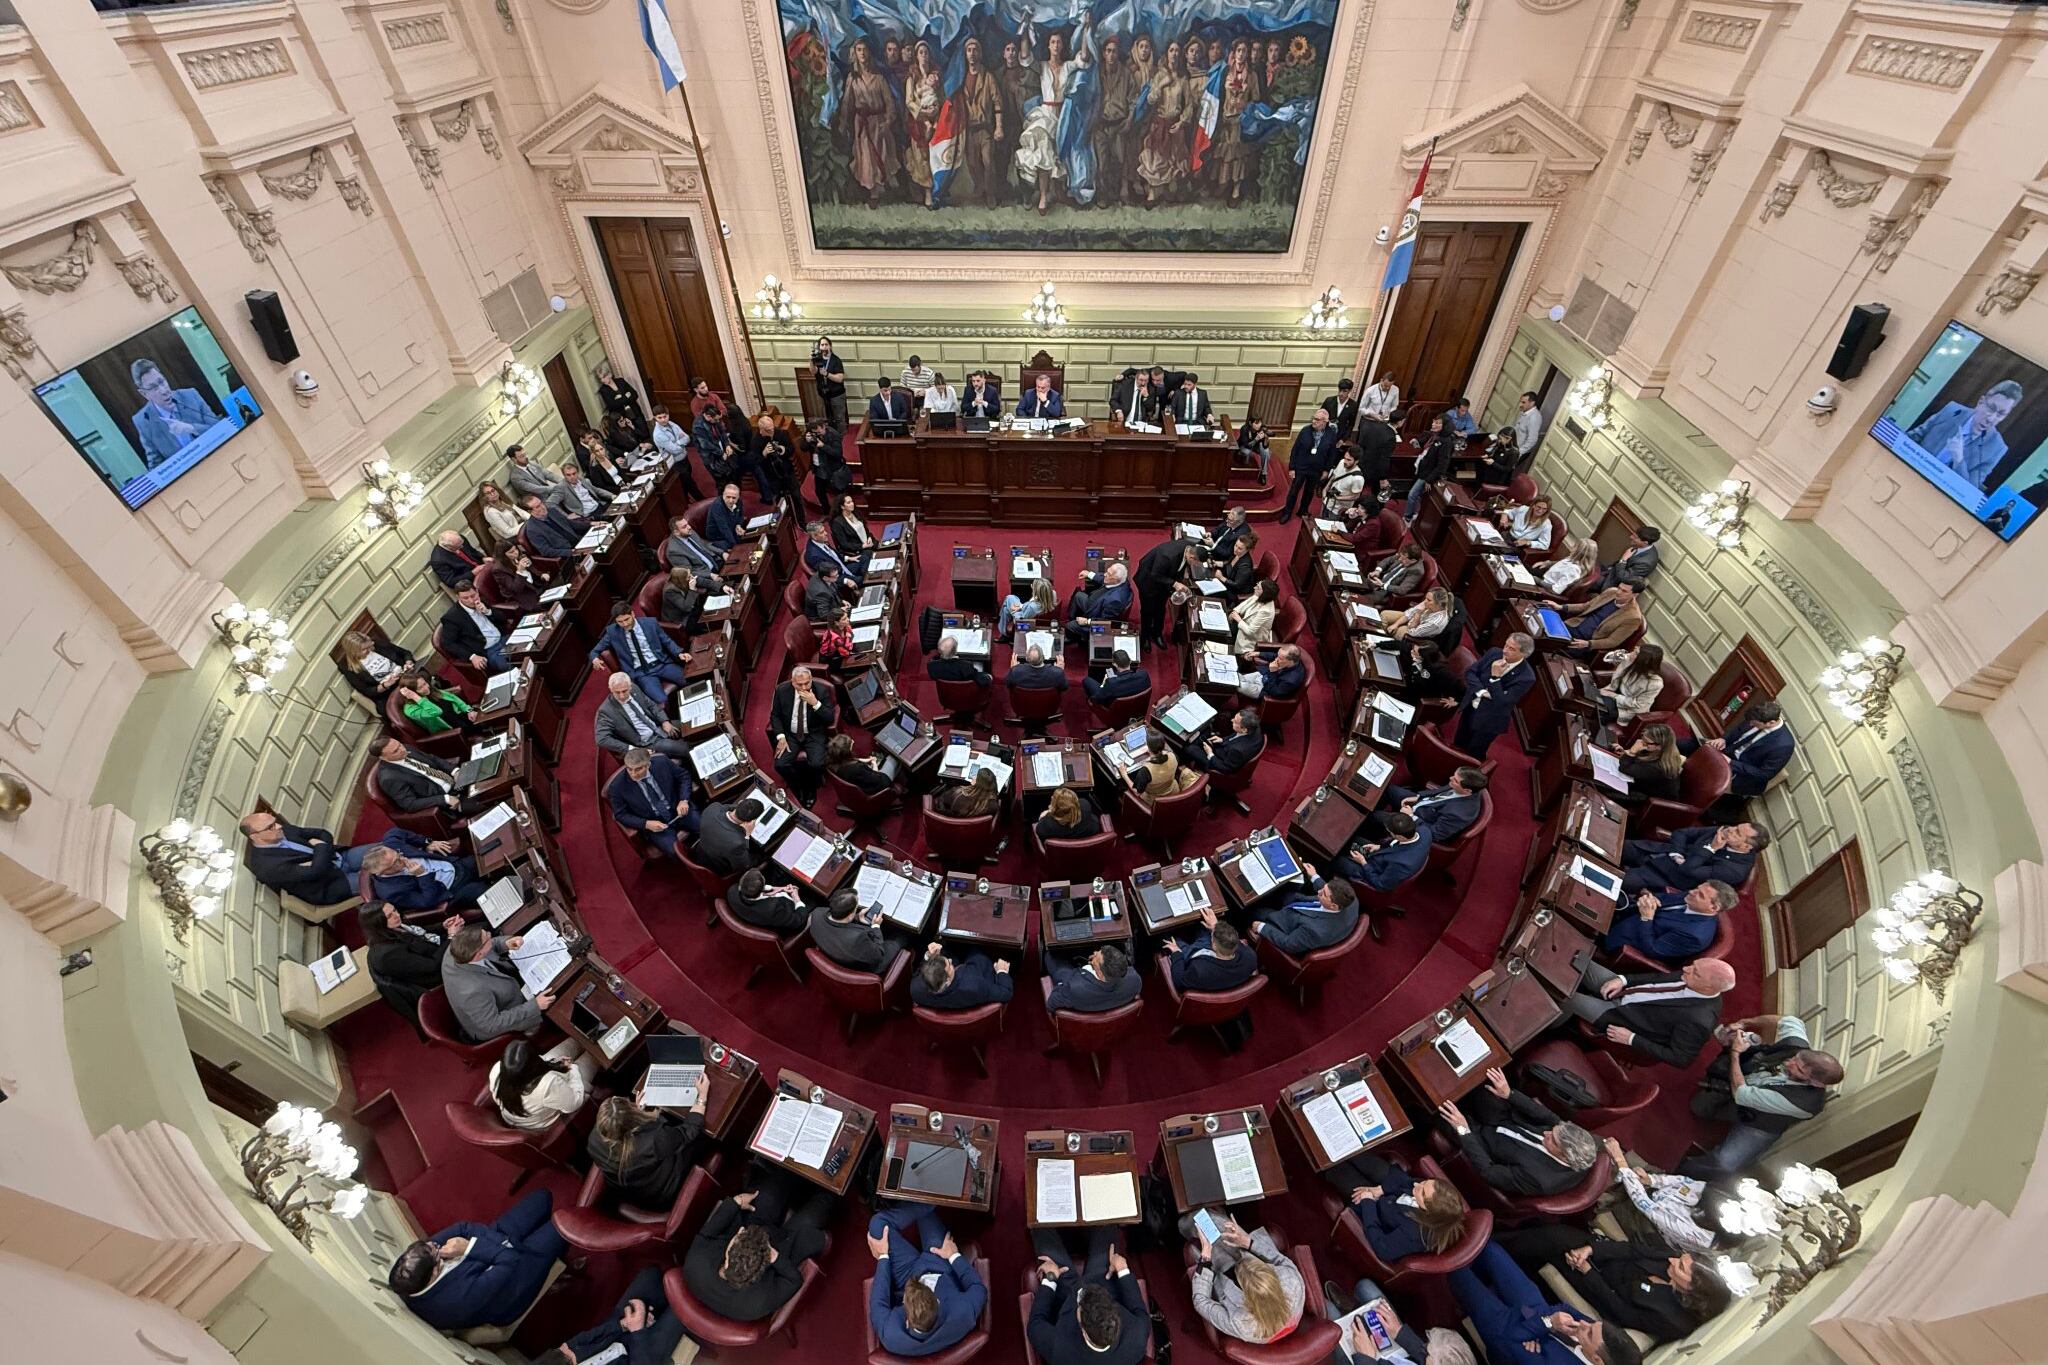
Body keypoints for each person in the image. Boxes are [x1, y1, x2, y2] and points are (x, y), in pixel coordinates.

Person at [1492, 1225, 1731, 1346]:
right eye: (1680, 1260)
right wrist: (1592, 1250)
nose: (1672, 1260)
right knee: (1556, 1236)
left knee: (1553, 1245)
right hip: (1606, 1257)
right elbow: (1633, 1249)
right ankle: (1499, 1243)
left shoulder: (1672, 1320)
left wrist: (1587, 1271)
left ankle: (1492, 1248)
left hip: (1601, 1287)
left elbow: (1619, 1310)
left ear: (1690, 1290)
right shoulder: (1674, 1258)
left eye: (1679, 1267)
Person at [1681, 1014, 1843, 1179]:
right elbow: (1789, 1020)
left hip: (1761, 1122)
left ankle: (1682, 1174)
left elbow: (1741, 1094)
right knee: (1699, 1106)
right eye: (1796, 1058)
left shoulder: (1804, 1104)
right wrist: (1743, 1022)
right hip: (1749, 1083)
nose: (1789, 1063)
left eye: (1799, 1068)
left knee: (1725, 1163)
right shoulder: (1797, 1048)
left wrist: (1736, 1052)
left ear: (1815, 1083)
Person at [388, 1189, 566, 1333]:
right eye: (435, 1250)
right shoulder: (458, 1300)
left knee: (542, 1197)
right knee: (565, 1223)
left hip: (493, 1242)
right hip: (512, 1282)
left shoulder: (415, 1265)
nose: (436, 1243)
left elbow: (462, 1227)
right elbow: (510, 1260)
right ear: (434, 1272)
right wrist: (468, 1248)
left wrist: (487, 1242)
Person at [683, 1162, 838, 1322]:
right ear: (759, 1270)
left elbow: (707, 1234)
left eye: (739, 1236)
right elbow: (794, 1280)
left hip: (755, 1224)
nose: (740, 1232)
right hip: (782, 1245)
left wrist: (735, 1202)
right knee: (821, 1205)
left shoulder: (695, 1264)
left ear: (728, 1254)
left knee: (777, 1181)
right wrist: (776, 1258)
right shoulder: (758, 1302)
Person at [1445, 1241, 1639, 1365]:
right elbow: (1563, 1308)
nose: (1584, 1324)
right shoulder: (1595, 1333)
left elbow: (1509, 1341)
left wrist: (1548, 1325)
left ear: (1597, 1360)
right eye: (1592, 1324)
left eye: (1589, 1332)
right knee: (1488, 1248)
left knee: (1456, 1267)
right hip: (1534, 1311)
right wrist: (1544, 1324)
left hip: (1504, 1334)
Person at [1436, 1067, 1600, 1198]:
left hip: (1482, 1144)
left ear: (1564, 1156)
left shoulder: (1538, 1179)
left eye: (1552, 1139)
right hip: (1504, 1119)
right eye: (1552, 1131)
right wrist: (1509, 1094)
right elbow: (1551, 1117)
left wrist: (1463, 1129)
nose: (1546, 1134)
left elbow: (1489, 1172)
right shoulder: (1577, 1140)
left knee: (1439, 1108)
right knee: (1475, 1075)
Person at [866, 1201, 987, 1357]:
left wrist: (882, 1256)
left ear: (907, 1320)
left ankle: (914, 1200)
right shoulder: (963, 1312)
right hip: (939, 1263)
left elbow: (878, 1301)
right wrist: (953, 1255)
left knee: (877, 1224)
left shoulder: (891, 1334)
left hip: (906, 1277)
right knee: (926, 1201)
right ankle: (926, 1200)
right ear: (937, 1301)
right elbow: (977, 1287)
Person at [1563, 958, 1736, 1068]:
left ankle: (1554, 1021)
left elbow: (1681, 1058)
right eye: (1693, 965)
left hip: (1620, 1016)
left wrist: (1631, 1039)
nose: (1685, 968)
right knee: (1577, 957)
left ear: (1708, 988)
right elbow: (1657, 979)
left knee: (1564, 995)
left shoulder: (1699, 1021)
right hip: (1624, 989)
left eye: (1694, 972)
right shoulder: (1692, 975)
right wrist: (1623, 980)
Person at [1182, 1210, 1304, 1345]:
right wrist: (1248, 1242)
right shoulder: (1292, 1282)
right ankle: (1208, 1214)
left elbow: (1200, 1302)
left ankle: (1182, 1222)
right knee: (1220, 1225)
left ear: (1245, 1298)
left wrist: (1205, 1258)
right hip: (1252, 1260)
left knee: (1203, 1226)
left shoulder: (1240, 1322)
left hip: (1223, 1279)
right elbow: (1280, 1260)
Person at [1321, 1153, 1468, 1265]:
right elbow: (1411, 1182)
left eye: (1422, 1192)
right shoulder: (1428, 1192)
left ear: (1427, 1209)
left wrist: (1368, 1200)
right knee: (1357, 1154)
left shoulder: (1415, 1235)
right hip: (1391, 1190)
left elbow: (1381, 1247)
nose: (1418, 1185)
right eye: (1425, 1183)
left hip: (1376, 1211)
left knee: (1338, 1169)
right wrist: (1382, 1189)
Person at [1027, 1228, 1147, 1365]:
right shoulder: (1137, 1337)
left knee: (1041, 1229)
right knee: (1106, 1223)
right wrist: (1122, 1269)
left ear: (1084, 1331)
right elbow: (1139, 1311)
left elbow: (1035, 1324)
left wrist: (1050, 1278)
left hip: (1066, 1297)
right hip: (1102, 1282)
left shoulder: (1061, 1351)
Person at [538, 1264, 688, 1365]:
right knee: (684, 1300)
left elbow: (587, 1337)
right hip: (644, 1355)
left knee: (650, 1275)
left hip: (620, 1330)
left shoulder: (555, 1359)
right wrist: (638, 1331)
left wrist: (624, 1324)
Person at [588, 1094, 706, 1209]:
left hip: (635, 1193)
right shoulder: (654, 1141)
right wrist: (702, 1096)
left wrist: (636, 1114)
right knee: (702, 1139)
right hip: (664, 1193)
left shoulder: (593, 1140)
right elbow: (690, 1130)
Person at [240, 809, 383, 904]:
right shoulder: (267, 867)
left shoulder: (284, 830)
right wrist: (320, 846)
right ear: (255, 836)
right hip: (330, 883)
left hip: (340, 857)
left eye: (274, 822)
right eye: (270, 827)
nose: (278, 826)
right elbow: (317, 872)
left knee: (385, 850)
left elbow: (323, 834)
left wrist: (318, 855)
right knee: (382, 876)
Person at [441, 925, 553, 1041]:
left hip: (502, 989)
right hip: (498, 1022)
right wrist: (535, 1006)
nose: (490, 935)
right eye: (487, 937)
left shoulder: (456, 947)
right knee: (557, 994)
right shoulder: (472, 990)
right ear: (478, 954)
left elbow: (491, 943)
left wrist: (506, 943)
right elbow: (492, 1025)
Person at [1682, 700, 1793, 812]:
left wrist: (1731, 763)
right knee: (1683, 745)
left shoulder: (1783, 745)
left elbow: (1763, 774)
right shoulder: (1756, 716)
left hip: (1741, 773)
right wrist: (1723, 739)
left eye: (1754, 724)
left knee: (1699, 775)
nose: (1750, 725)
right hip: (1725, 751)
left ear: (1771, 723)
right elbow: (1736, 730)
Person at [1908, 379, 2021, 488]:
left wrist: (1959, 460)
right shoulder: (1952, 410)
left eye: (2001, 414)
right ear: (1980, 402)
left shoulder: (1996, 448)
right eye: (1991, 408)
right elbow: (1914, 436)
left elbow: (1969, 489)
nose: (1991, 419)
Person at [358, 901, 451, 1024]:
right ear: (378, 923)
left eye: (395, 910)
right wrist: (452, 937)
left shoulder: (392, 927)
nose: (397, 915)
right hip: (437, 973)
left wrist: (443, 926)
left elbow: (420, 933)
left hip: (434, 951)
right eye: (389, 916)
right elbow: (433, 966)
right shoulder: (389, 955)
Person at [1603, 882, 1738, 964]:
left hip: (1622, 937)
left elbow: (1652, 950)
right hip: (1628, 911)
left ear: (1713, 908)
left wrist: (1646, 918)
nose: (1692, 891)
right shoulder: (1691, 898)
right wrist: (1651, 899)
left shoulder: (1695, 936)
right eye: (1697, 888)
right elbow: (1663, 899)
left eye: (1700, 894)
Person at [1622, 822, 1766, 896]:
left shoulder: (1734, 871)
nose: (1730, 829)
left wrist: (1712, 848)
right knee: (1613, 843)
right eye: (1736, 826)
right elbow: (1682, 833)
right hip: (1662, 852)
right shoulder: (1726, 830)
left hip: (1667, 877)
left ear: (1746, 847)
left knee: (1619, 880)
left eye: (1737, 832)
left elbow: (1688, 869)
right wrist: (1676, 853)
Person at [488, 1038, 598, 1133]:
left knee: (576, 1040)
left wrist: (553, 1063)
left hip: (541, 1085)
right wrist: (572, 1068)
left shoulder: (498, 1069)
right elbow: (574, 1103)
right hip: (542, 1116)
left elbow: (538, 1062)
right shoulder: (547, 1085)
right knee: (594, 1053)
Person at [128, 356, 221, 465]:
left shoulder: (190, 396)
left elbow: (219, 427)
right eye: (154, 387)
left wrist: (192, 428)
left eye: (161, 382)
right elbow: (155, 463)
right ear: (144, 394)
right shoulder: (143, 421)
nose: (163, 390)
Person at [1455, 632, 1536, 756]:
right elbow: (1471, 672)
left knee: (1473, 752)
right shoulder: (1494, 653)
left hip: (1489, 719)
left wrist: (1495, 678)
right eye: (1506, 645)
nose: (1505, 650)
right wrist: (1481, 691)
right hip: (1471, 705)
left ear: (1524, 654)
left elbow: (1502, 701)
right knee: (1458, 742)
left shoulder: (1526, 677)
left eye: (1511, 649)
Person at [608, 747, 698, 857]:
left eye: (638, 769)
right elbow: (620, 815)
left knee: (705, 827)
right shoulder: (617, 787)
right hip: (654, 823)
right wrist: (645, 824)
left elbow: (684, 777)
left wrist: (684, 800)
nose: (633, 774)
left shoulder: (662, 762)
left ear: (648, 765)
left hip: (678, 809)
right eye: (629, 769)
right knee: (676, 852)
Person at [361, 839, 490, 915]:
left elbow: (397, 832)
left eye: (398, 855)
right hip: (454, 888)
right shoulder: (392, 892)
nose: (402, 858)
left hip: (455, 865)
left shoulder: (392, 845)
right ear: (382, 872)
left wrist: (427, 842)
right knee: (490, 893)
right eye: (396, 862)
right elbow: (427, 900)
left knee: (492, 855)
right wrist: (422, 875)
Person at [593, 602, 687, 705]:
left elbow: (666, 641)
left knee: (689, 679)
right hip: (642, 673)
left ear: (633, 614)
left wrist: (678, 653)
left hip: (662, 664)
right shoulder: (612, 632)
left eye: (626, 619)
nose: (625, 624)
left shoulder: (650, 623)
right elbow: (595, 651)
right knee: (662, 701)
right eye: (620, 622)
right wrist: (595, 659)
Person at [769, 666, 835, 807]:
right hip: (791, 734)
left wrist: (815, 703)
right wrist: (781, 737)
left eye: (807, 683)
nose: (804, 687)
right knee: (780, 764)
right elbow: (775, 715)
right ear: (792, 681)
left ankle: (812, 788)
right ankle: (800, 787)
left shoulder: (821, 690)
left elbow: (829, 718)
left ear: (811, 679)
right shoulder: (782, 690)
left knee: (817, 763)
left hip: (813, 733)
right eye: (799, 684)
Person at [371, 736, 483, 817]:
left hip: (457, 781)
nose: (402, 749)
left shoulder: (406, 748)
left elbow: (433, 759)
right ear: (383, 757)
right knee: (486, 803)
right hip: (449, 797)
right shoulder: (389, 778)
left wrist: (454, 771)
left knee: (491, 775)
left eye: (399, 744)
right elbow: (410, 804)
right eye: (395, 751)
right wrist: (445, 799)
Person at [1248, 877, 1359, 954]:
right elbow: (1331, 891)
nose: (1319, 891)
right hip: (1298, 904)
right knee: (1284, 889)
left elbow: (1289, 944)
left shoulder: (1315, 931)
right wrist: (1315, 877)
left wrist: (1262, 927)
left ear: (1333, 906)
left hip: (1283, 923)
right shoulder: (1351, 900)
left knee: (1252, 909)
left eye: (1323, 894)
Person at [1329, 811, 1431, 894]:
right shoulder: (1425, 831)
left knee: (1332, 859)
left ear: (1400, 836)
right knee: (1350, 838)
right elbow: (1396, 843)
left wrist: (1363, 863)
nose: (1388, 833)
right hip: (1380, 855)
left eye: (1390, 832)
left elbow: (1380, 884)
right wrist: (1379, 847)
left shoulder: (1400, 865)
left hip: (1371, 872)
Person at [1379, 765, 1487, 843]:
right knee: (1388, 788)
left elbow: (1434, 834)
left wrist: (1411, 816)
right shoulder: (1461, 785)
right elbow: (1440, 791)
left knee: (1376, 816)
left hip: (1418, 822)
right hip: (1422, 804)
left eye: (1455, 780)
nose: (1450, 779)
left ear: (1467, 791)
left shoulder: (1459, 814)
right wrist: (1418, 796)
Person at [810, 887, 906, 973]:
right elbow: (879, 955)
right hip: (866, 964)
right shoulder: (857, 939)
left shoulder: (817, 913)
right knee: (902, 935)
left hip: (836, 949)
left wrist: (857, 918)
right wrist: (876, 927)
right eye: (856, 908)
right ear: (850, 914)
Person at [1161, 908, 1258, 993]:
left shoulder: (1198, 970)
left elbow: (1179, 982)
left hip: (1193, 957)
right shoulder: (1250, 956)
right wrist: (1215, 925)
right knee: (1203, 924)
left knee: (1166, 935)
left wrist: (1176, 953)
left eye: (1213, 937)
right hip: (1211, 959)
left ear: (1214, 945)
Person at [1135, 534, 1200, 649]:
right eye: (1195, 563)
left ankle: (1157, 634)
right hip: (1148, 581)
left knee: (1160, 609)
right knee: (1148, 610)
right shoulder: (1167, 556)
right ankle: (1145, 637)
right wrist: (1175, 583)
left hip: (1165, 581)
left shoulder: (1191, 547)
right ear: (1191, 556)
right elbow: (1155, 575)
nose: (1195, 566)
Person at [1043, 941, 1141, 1013]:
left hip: (1073, 978)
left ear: (1100, 974)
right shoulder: (1135, 980)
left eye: (1096, 958)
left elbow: (1050, 1005)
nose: (1094, 953)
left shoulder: (1073, 989)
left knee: (1050, 956)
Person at [913, 942, 1015, 1010]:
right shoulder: (975, 985)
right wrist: (1002, 971)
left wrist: (929, 957)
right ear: (947, 980)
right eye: (949, 965)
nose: (950, 960)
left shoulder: (916, 990)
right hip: (980, 959)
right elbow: (1006, 993)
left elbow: (920, 972)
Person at [1282, 407, 1340, 521]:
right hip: (1301, 467)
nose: (1314, 421)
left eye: (1317, 420)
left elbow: (1332, 454)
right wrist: (1292, 468)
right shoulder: (1305, 430)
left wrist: (1326, 470)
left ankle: (1302, 510)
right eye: (1313, 418)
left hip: (1316, 469)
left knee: (1309, 492)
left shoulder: (1331, 434)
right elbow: (1295, 449)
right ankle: (1287, 512)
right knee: (1294, 491)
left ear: (1325, 422)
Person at [438, 585, 510, 675]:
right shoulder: (452, 617)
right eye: (465, 598)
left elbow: (503, 618)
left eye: (473, 596)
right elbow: (448, 643)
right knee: (510, 665)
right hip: (489, 650)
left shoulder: (480, 600)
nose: (471, 600)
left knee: (529, 649)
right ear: (458, 597)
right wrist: (472, 656)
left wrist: (488, 612)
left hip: (504, 638)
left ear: (477, 591)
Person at [1561, 582, 1645, 656]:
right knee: (1549, 634)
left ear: (1635, 595)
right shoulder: (1611, 592)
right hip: (1573, 625)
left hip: (1584, 641)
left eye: (1624, 591)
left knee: (1554, 646)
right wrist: (1561, 607)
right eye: (1619, 588)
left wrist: (1588, 644)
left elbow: (1613, 641)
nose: (1618, 592)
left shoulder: (1633, 617)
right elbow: (1585, 606)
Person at [1616, 723, 1685, 809]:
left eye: (1646, 742)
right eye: (1643, 738)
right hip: (1639, 784)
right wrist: (1626, 752)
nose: (1641, 743)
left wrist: (1632, 752)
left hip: (1647, 801)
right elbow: (1639, 760)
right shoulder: (1659, 750)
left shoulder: (1658, 767)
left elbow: (1624, 768)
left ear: (1659, 746)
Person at [393, 667, 479, 737]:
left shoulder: (430, 691)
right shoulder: (411, 710)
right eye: (420, 688)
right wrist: (416, 698)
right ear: (411, 692)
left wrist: (468, 710)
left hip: (462, 717)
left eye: (424, 683)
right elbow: (436, 711)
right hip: (453, 730)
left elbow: (452, 697)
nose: (426, 688)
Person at [1405, 415, 1461, 521]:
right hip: (1421, 467)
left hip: (1428, 473)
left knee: (1412, 495)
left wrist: (1429, 479)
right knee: (1417, 496)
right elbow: (1426, 444)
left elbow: (1442, 465)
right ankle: (1416, 514)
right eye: (1433, 422)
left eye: (1437, 423)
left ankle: (1407, 517)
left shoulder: (1446, 442)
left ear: (1444, 425)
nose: (1433, 424)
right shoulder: (1435, 435)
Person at [1600, 643, 1667, 727]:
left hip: (1628, 709)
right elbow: (1607, 658)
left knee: (1599, 710)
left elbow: (1638, 705)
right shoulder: (1630, 660)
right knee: (1591, 697)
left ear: (1643, 660)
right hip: (1615, 693)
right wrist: (1618, 655)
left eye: (1635, 653)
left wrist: (1614, 696)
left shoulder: (1655, 683)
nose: (1631, 653)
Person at [696, 796, 764, 877]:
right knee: (762, 856)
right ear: (750, 822)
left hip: (701, 849)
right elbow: (745, 865)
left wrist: (741, 808)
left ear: (739, 802)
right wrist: (747, 836)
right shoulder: (737, 843)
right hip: (717, 867)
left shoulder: (713, 808)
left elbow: (725, 807)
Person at [337, 629, 415, 700]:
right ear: (353, 651)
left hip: (407, 676)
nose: (369, 650)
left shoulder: (377, 643)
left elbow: (405, 653)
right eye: (364, 649)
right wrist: (386, 684)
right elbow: (367, 691)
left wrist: (408, 663)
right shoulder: (346, 667)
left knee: (421, 682)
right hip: (389, 692)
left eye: (369, 646)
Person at [1067, 561, 1134, 634]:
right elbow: (1103, 579)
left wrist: (1087, 621)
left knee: (1070, 626)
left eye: (1108, 574)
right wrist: (1089, 574)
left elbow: (1105, 622)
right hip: (1095, 604)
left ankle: (1073, 636)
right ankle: (1071, 618)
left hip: (1097, 616)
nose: (1105, 574)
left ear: (1116, 580)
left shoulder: (1114, 601)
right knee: (1078, 595)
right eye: (1107, 572)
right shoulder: (1122, 580)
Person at [1188, 709, 1262, 773]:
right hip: (1228, 751)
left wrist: (1210, 753)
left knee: (1190, 748)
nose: (1231, 720)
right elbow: (1236, 735)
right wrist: (1223, 740)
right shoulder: (1254, 727)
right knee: (1205, 735)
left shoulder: (1237, 751)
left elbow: (1225, 768)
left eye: (1235, 722)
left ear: (1244, 729)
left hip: (1220, 762)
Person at [519, 493, 589, 560]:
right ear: (529, 512)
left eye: (541, 503)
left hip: (580, 541)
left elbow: (572, 524)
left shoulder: (552, 511)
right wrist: (572, 552)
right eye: (538, 507)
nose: (543, 507)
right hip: (568, 554)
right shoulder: (532, 530)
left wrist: (592, 524)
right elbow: (546, 551)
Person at [826, 733, 894, 798]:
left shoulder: (832, 762)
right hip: (874, 787)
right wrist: (874, 763)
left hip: (855, 782)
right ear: (847, 753)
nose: (852, 741)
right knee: (893, 759)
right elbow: (876, 778)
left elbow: (847, 760)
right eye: (851, 745)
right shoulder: (858, 769)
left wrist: (862, 760)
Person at [1132, 730, 1199, 796]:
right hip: (1173, 791)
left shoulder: (1145, 771)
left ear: (1148, 747)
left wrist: (1124, 774)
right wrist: (1151, 752)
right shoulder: (1173, 756)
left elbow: (1137, 792)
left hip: (1155, 799)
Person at [660, 566, 720, 637]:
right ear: (681, 579)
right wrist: (692, 589)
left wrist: (721, 587)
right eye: (689, 576)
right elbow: (686, 608)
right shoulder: (670, 591)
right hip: (682, 619)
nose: (692, 577)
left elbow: (703, 587)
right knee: (711, 626)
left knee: (714, 612)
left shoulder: (683, 581)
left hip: (692, 609)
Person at [1238, 641, 1307, 702]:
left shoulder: (1291, 680)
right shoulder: (1289, 661)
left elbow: (1274, 692)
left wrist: (1272, 672)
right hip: (1263, 675)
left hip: (1263, 689)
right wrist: (1258, 653)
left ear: (1290, 661)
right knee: (1237, 678)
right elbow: (1274, 656)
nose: (1276, 659)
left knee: (1235, 686)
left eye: (1280, 658)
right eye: (1278, 655)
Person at [1362, 541, 1427, 606]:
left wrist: (1382, 585)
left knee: (1360, 599)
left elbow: (1402, 590)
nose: (1400, 559)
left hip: (1385, 593)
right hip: (1378, 581)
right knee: (1355, 586)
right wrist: (1377, 571)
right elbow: (1386, 561)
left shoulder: (1417, 571)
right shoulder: (1404, 555)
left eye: (1403, 558)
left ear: (1413, 560)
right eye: (1400, 556)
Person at [1597, 526, 1661, 590]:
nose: (1631, 537)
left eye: (1635, 537)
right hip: (1608, 572)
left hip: (1611, 584)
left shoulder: (1646, 563)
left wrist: (1623, 559)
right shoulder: (1639, 546)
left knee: (1589, 578)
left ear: (1645, 542)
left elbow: (1623, 577)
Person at [1382, 585, 1453, 642]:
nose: (1425, 601)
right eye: (1426, 598)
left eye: (1428, 600)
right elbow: (1409, 613)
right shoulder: (1427, 603)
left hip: (1415, 634)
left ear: (1439, 604)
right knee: (1384, 614)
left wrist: (1418, 615)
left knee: (1399, 631)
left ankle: (1384, 643)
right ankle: (1380, 636)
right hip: (1411, 622)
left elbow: (1413, 633)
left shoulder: (1436, 623)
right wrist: (1396, 624)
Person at [1402, 638, 1464, 703]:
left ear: (1423, 656)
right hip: (1409, 686)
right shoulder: (1418, 651)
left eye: (1414, 652)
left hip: (1419, 698)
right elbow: (1403, 646)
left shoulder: (1440, 670)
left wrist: (1457, 701)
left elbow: (1461, 688)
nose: (1411, 651)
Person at [1083, 649, 1150, 707]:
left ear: (1115, 664)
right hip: (1136, 709)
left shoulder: (1111, 683)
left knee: (1087, 680)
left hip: (1113, 712)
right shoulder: (1144, 675)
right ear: (1130, 661)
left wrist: (1103, 684)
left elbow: (1098, 698)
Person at [1227, 578, 1278, 653]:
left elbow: (1250, 631)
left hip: (1249, 639)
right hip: (1241, 625)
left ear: (1264, 593)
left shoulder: (1266, 611)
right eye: (1257, 585)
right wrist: (1235, 611)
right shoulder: (1259, 595)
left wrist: (1238, 619)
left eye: (1258, 588)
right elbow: (1245, 604)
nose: (1254, 588)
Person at [1036, 787, 1101, 845]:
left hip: (1060, 855)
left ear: (1056, 810)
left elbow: (1040, 833)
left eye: (1053, 798)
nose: (1051, 797)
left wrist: (1045, 815)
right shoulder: (1085, 806)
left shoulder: (1047, 825)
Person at [928, 634, 992, 691]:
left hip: (946, 696)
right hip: (965, 695)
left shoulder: (931, 666)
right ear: (955, 651)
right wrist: (989, 676)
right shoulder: (966, 666)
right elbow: (982, 680)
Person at [933, 767, 1002, 819]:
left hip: (954, 824)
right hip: (974, 831)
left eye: (976, 777)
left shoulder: (957, 793)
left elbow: (941, 799)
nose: (974, 777)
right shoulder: (994, 806)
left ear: (977, 783)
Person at [811, 337, 848, 430]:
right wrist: (811, 361)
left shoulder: (836, 360)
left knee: (839, 418)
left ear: (830, 346)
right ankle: (831, 435)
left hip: (836, 394)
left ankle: (841, 437)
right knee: (827, 418)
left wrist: (827, 374)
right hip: (823, 394)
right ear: (819, 347)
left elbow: (840, 378)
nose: (824, 347)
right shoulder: (817, 359)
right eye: (822, 345)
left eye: (826, 344)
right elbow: (813, 372)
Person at [478, 480, 527, 546]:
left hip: (525, 528)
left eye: (493, 490)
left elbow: (522, 513)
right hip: (515, 537)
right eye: (488, 493)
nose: (493, 494)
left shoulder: (502, 500)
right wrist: (527, 525)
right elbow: (508, 532)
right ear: (484, 497)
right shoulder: (490, 512)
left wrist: (532, 519)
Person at [1217, 530, 1260, 601]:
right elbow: (1229, 564)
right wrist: (1217, 563)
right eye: (1236, 545)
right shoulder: (1237, 553)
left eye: (1240, 548)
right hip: (1228, 580)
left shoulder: (1245, 566)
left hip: (1233, 592)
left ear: (1247, 550)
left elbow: (1237, 585)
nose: (1235, 549)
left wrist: (1221, 578)